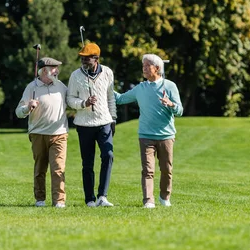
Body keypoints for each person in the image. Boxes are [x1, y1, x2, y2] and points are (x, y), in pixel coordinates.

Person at [114, 54, 183, 208]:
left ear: (157, 68)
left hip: (166, 136)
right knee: (148, 170)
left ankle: (164, 197)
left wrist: (171, 104)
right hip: (146, 136)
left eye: (147, 66)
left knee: (166, 169)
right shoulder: (140, 88)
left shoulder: (170, 86)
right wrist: (103, 88)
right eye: (143, 66)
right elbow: (120, 99)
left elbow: (180, 111)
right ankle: (148, 200)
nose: (144, 69)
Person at [67, 42, 117, 207]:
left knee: (108, 156)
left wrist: (113, 118)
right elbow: (70, 99)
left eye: (87, 58)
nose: (83, 61)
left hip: (104, 122)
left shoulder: (108, 72)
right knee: (87, 163)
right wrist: (84, 103)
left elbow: (111, 97)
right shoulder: (75, 76)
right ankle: (89, 199)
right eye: (82, 58)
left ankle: (102, 196)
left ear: (96, 58)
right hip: (84, 124)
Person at [15, 57, 68, 208]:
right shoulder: (31, 88)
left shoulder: (62, 87)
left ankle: (59, 201)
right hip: (38, 134)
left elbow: (72, 102)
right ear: (44, 70)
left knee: (58, 168)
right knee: (40, 169)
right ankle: (40, 199)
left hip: (59, 133)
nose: (57, 71)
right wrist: (28, 107)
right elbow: (19, 112)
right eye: (54, 68)